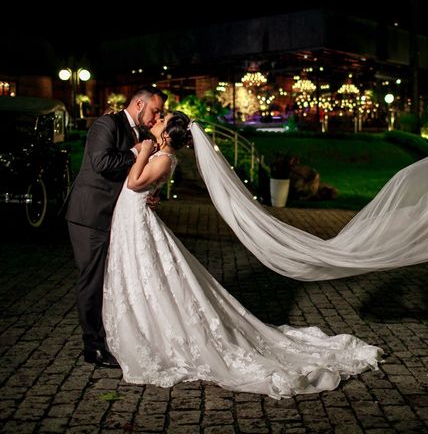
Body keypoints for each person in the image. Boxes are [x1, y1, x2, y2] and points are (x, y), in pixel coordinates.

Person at [103, 111, 382, 398]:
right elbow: (143, 183)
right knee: (145, 277)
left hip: (136, 222)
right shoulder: (160, 155)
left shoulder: (162, 157)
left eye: (162, 120)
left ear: (165, 135)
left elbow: (135, 183)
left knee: (151, 277)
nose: (158, 119)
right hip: (132, 220)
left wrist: (144, 152)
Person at [65, 85, 167, 368]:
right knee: (92, 279)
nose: (157, 116)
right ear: (138, 104)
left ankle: (115, 337)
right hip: (91, 214)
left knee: (112, 278)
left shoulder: (144, 136)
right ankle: (93, 346)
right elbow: (101, 162)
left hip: (117, 217)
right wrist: (136, 152)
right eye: (155, 110)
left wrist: (151, 194)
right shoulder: (106, 123)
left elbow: (138, 176)